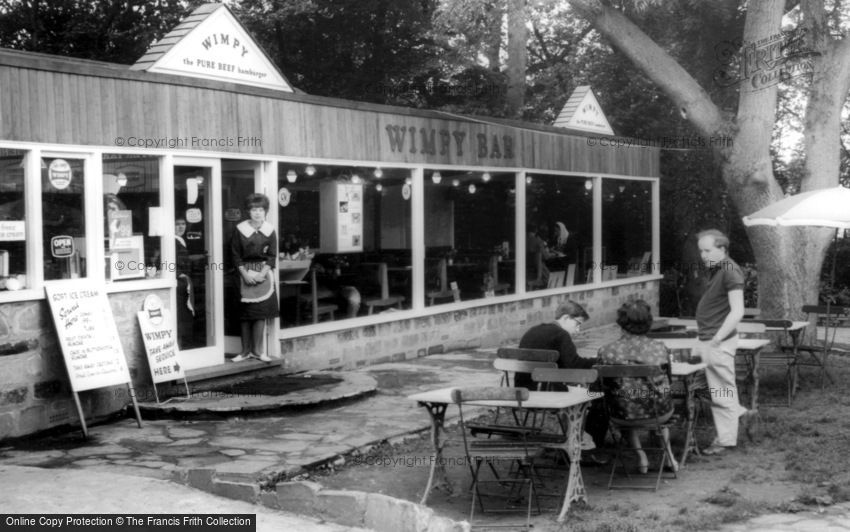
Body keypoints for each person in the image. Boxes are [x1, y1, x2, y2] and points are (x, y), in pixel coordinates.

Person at [514, 300, 608, 452]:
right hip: (547, 392)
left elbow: (562, 364)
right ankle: (590, 445)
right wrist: (599, 360)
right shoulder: (561, 334)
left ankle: (571, 436)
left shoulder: (533, 330)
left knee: (578, 386)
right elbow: (574, 365)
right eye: (577, 324)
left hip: (524, 390)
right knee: (597, 394)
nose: (578, 330)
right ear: (565, 318)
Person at [597, 300, 678, 473]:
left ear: (621, 323)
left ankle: (641, 457)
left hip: (621, 414)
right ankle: (669, 456)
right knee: (658, 396)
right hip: (659, 412)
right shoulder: (659, 348)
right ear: (648, 322)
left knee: (623, 400)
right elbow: (667, 382)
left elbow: (602, 386)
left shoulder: (606, 351)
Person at [694, 229, 754, 455]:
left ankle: (726, 440)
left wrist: (716, 340)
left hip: (717, 340)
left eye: (707, 250)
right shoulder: (719, 269)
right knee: (716, 388)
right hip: (709, 338)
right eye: (701, 251)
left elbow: (737, 312)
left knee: (722, 391)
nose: (703, 255)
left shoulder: (730, 271)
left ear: (722, 249)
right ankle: (740, 413)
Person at [230, 194, 278, 363]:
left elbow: (272, 256)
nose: (257, 213)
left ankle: (258, 351)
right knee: (245, 315)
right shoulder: (240, 229)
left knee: (260, 314)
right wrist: (245, 275)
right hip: (243, 275)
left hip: (264, 275)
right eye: (254, 209)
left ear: (265, 211)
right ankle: (244, 352)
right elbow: (235, 256)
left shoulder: (270, 230)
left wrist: (261, 274)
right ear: (248, 211)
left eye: (261, 209)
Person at [174, 217, 194, 349]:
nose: (181, 227)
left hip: (183, 282)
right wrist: (178, 274)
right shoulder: (173, 241)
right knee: (180, 317)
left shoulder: (180, 241)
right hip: (178, 284)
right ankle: (178, 348)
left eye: (183, 224)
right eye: (177, 224)